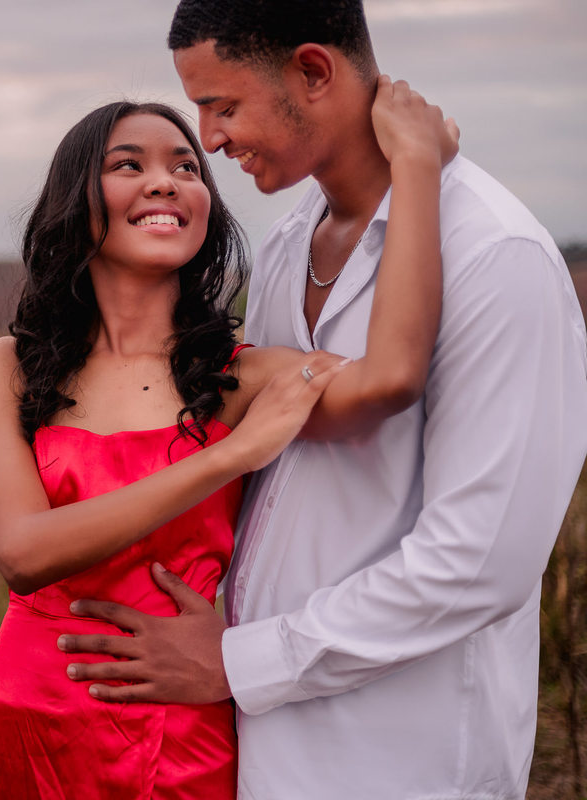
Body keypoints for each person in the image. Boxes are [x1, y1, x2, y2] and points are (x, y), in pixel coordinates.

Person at [58, 2, 587, 798]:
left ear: (312, 72)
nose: (210, 139)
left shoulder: (494, 259)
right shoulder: (283, 245)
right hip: (252, 743)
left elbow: (478, 564)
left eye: (224, 106)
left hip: (400, 757)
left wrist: (239, 660)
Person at [0, 81, 455, 798]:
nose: (166, 180)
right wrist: (227, 457)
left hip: (176, 729)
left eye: (187, 167)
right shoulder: (9, 365)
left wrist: (417, 171)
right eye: (129, 165)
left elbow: (396, 377)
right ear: (76, 202)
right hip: (23, 717)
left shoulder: (246, 377)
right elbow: (23, 553)